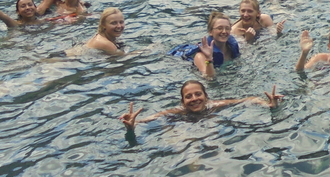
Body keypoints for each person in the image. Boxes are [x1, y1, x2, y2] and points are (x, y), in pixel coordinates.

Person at [120, 80, 283, 131]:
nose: (194, 99)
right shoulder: (178, 112)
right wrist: (134, 124)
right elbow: (154, 117)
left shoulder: (215, 105)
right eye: (188, 96)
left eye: (198, 94)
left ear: (206, 97)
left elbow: (247, 99)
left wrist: (268, 104)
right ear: (183, 101)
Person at [169, 11, 240, 79]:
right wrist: (209, 58)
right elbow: (209, 78)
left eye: (227, 28)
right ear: (210, 32)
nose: (224, 31)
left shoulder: (231, 48)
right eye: (219, 28)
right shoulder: (200, 56)